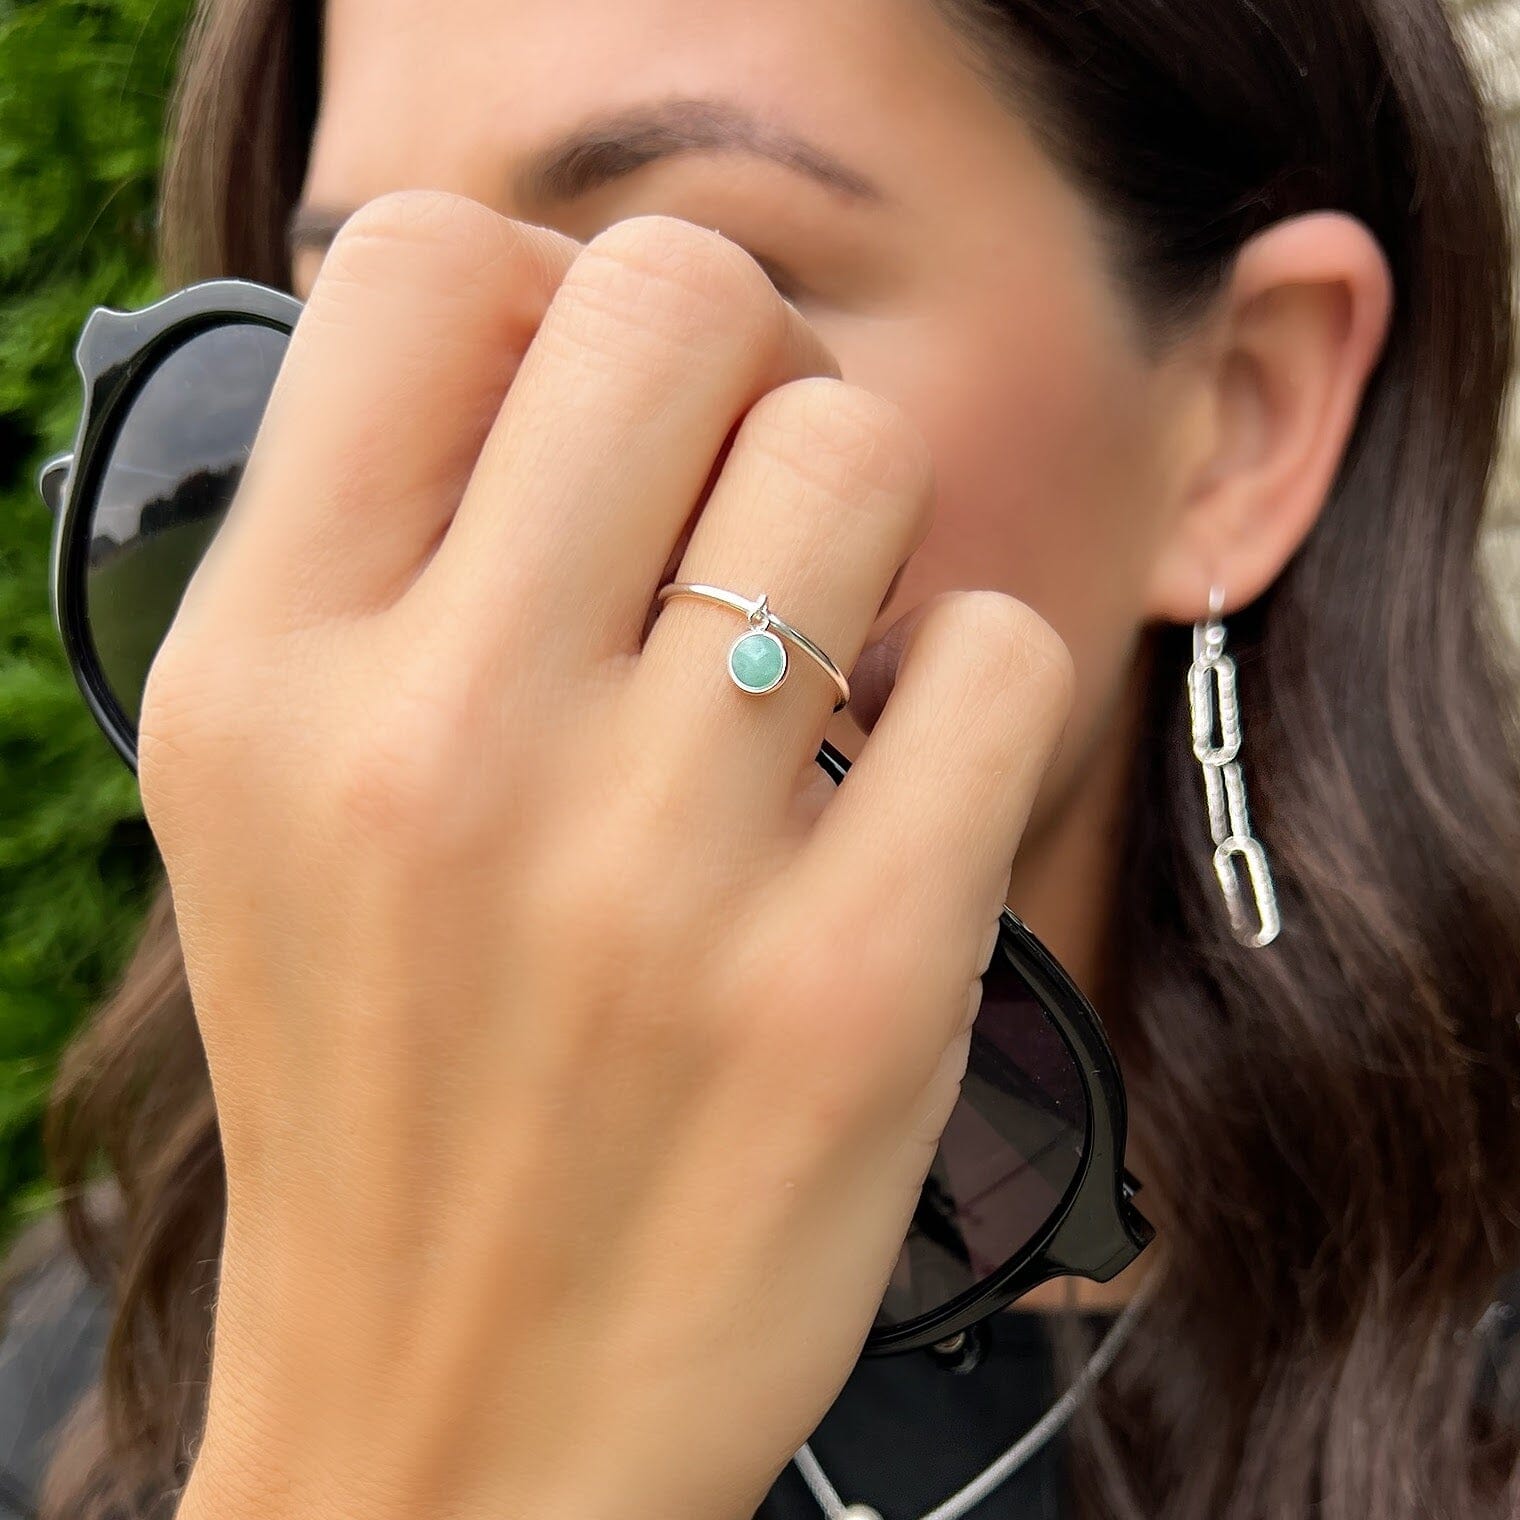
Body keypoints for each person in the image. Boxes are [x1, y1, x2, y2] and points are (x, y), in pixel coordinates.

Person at [5, 0, 1520, 1516]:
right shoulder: (73, 1377)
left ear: (1240, 416)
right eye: (345, 314)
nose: (451, 517)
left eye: (697, 275)